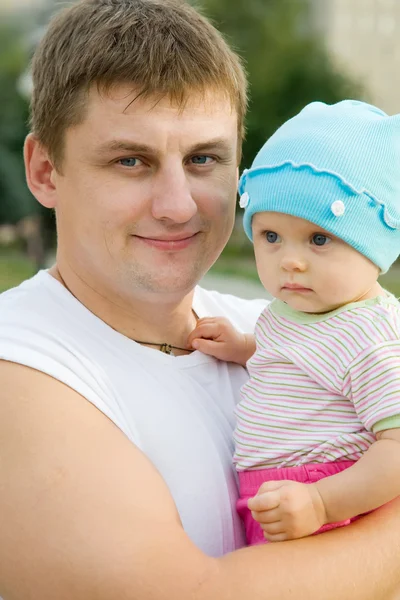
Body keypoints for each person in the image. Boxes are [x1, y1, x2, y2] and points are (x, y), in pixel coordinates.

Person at [0, 0, 399, 597]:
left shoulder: (277, 327)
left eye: (203, 159)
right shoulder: (22, 371)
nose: (178, 205)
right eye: (131, 160)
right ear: (46, 171)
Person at [188, 99, 400, 545]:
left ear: (375, 247)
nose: (291, 262)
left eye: (318, 239)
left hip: (330, 495)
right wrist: (244, 347)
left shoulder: (370, 334)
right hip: (279, 496)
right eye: (271, 237)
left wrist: (322, 501)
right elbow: (298, 362)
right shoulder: (296, 312)